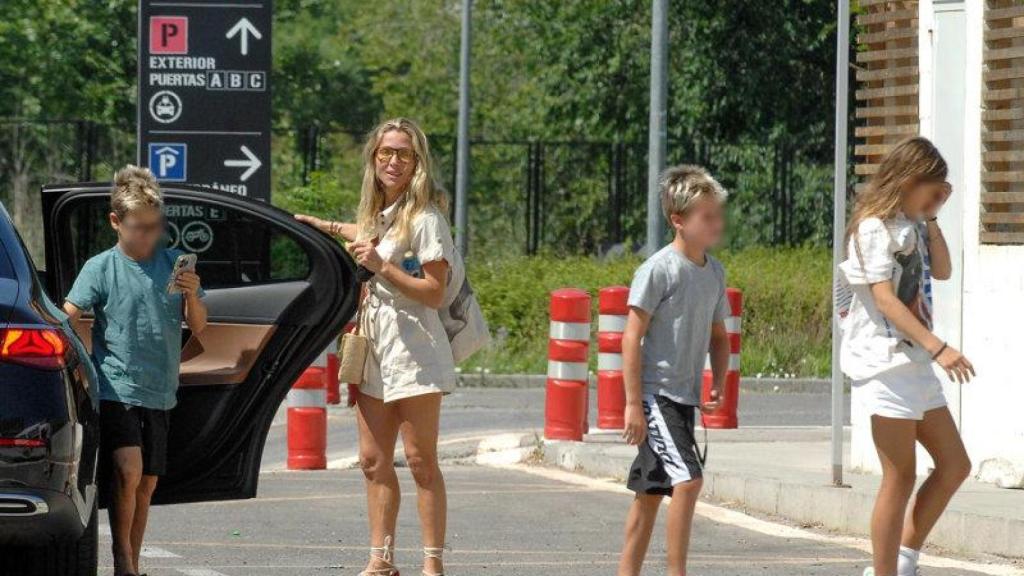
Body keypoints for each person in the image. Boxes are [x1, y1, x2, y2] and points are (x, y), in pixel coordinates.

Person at [296, 118, 455, 576]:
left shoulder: (426, 218)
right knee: (372, 460)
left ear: (417, 162)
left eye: (403, 153)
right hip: (374, 341)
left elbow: (434, 292)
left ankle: (432, 563)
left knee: (422, 460)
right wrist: (320, 225)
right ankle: (380, 559)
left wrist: (382, 267)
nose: (393, 160)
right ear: (374, 158)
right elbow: (363, 233)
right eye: (386, 152)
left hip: (415, 345)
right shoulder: (377, 213)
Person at [838, 137, 974, 576]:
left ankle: (904, 558)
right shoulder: (873, 228)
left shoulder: (911, 222)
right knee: (899, 478)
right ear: (909, 180)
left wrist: (931, 216)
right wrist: (939, 348)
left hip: (912, 362)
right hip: (882, 363)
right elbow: (885, 300)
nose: (936, 197)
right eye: (932, 189)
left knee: (954, 465)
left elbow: (944, 270)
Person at [63, 166, 207, 576]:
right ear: (115, 222)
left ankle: (133, 559)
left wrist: (193, 293)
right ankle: (122, 561)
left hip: (160, 389)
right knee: (128, 470)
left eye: (154, 226)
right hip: (116, 388)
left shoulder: (171, 264)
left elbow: (199, 327)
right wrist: (84, 363)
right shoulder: (101, 267)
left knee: (146, 484)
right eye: (138, 227)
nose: (148, 235)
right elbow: (68, 314)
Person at [616, 165, 732, 576]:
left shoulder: (714, 272)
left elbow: (720, 336)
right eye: (707, 216)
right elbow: (631, 337)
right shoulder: (658, 269)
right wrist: (633, 404)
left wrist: (718, 381)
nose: (716, 223)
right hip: (655, 396)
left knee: (650, 493)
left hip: (683, 398)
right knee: (689, 480)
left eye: (718, 214)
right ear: (678, 221)